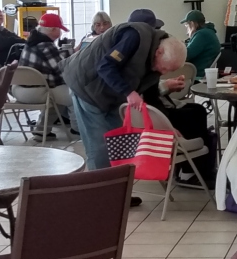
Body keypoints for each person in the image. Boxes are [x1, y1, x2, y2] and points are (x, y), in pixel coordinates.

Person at [64, 9, 189, 176]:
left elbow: (152, 97)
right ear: (159, 52)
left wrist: (168, 128)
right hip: (85, 85)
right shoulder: (134, 36)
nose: (164, 73)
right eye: (165, 68)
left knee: (119, 144)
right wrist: (129, 92)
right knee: (99, 147)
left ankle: (118, 188)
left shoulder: (158, 56)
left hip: (110, 92)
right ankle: (101, 189)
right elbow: (105, 66)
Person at [10, 12, 73, 136]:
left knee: (58, 98)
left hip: (18, 91)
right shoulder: (46, 45)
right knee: (76, 96)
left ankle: (41, 131)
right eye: (60, 29)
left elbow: (50, 60)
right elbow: (60, 69)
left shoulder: (31, 42)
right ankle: (78, 130)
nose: (61, 33)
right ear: (53, 30)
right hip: (36, 93)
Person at [182, 9, 222, 80]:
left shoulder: (202, 34)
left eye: (186, 25)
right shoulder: (208, 32)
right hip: (202, 73)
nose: (186, 28)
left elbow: (187, 55)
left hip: (197, 75)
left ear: (192, 24)